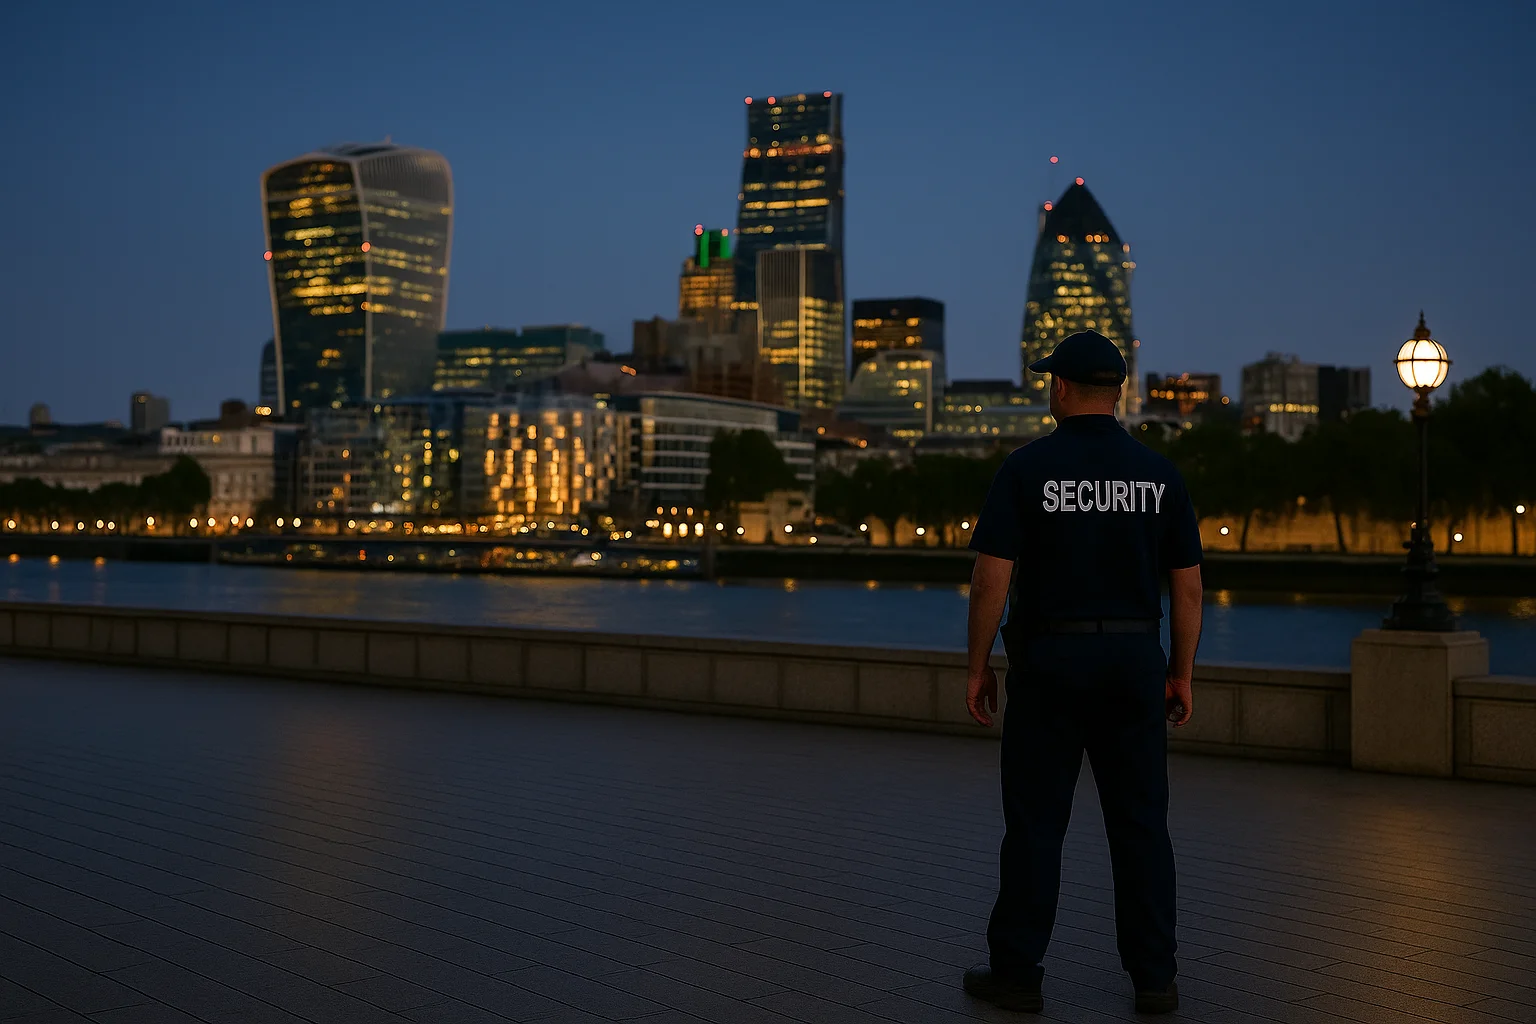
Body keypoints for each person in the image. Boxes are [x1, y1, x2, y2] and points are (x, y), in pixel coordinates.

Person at [959, 330, 1203, 1016]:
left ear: (1061, 388)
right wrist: (1180, 673)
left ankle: (1018, 973)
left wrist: (979, 668)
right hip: (1133, 663)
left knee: (1036, 825)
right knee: (1142, 827)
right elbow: (1187, 589)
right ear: (1119, 391)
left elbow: (989, 581)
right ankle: (1155, 979)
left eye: (1048, 381)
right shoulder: (1161, 477)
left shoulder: (1025, 469)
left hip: (1050, 663)